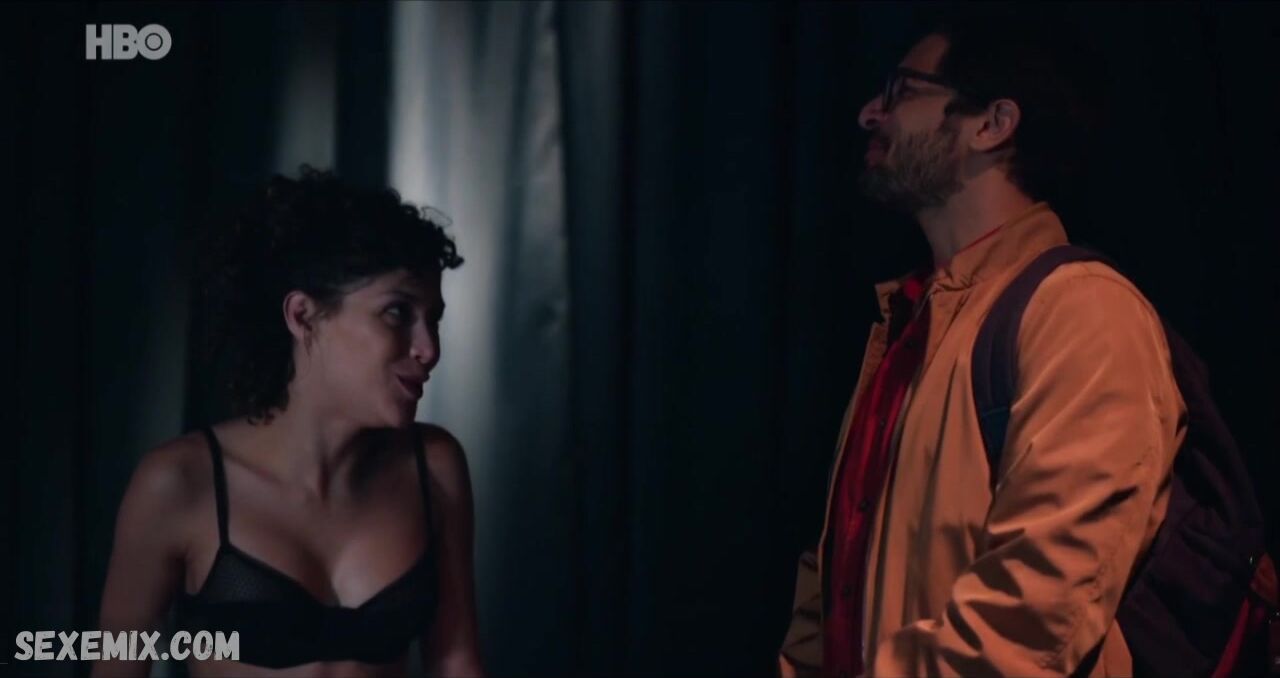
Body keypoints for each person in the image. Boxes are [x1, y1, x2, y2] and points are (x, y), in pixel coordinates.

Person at [778, 11, 1188, 678]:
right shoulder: (915, 320)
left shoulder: (1080, 309)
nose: (869, 113)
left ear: (994, 124)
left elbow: (1032, 619)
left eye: (902, 90)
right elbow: (832, 582)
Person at [95, 167, 484, 677]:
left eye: (433, 319)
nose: (428, 349)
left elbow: (456, 661)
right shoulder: (180, 483)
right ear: (302, 316)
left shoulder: (433, 467)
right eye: (397, 312)